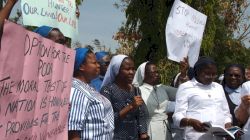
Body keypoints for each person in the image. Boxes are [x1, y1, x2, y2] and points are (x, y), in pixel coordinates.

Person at [173, 57, 232, 140]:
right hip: (195, 136)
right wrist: (190, 122)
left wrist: (228, 126)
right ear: (197, 71)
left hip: (218, 137)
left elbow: (226, 113)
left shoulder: (218, 87)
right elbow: (177, 116)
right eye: (207, 73)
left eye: (214, 74)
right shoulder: (185, 87)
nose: (211, 77)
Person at [68, 48, 114, 140]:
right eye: (94, 63)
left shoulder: (88, 86)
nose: (98, 66)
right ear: (81, 66)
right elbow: (73, 133)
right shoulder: (77, 91)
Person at [100, 54, 149, 140]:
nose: (131, 72)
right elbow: (106, 120)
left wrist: (143, 133)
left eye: (133, 69)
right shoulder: (107, 90)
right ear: (116, 70)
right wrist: (130, 107)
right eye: (127, 69)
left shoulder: (135, 90)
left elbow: (141, 114)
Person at [132, 61, 176, 140]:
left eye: (157, 72)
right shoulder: (138, 91)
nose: (157, 74)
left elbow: (181, 92)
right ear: (144, 75)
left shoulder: (162, 88)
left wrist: (183, 75)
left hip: (166, 127)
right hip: (150, 128)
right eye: (153, 72)